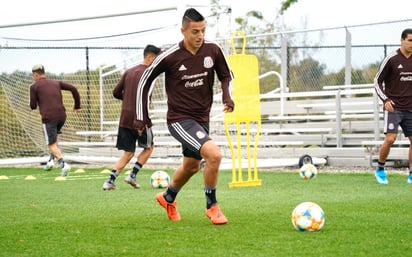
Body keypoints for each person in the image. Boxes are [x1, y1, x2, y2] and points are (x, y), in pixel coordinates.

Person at [135, 8, 234, 225]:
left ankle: (168, 197)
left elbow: (227, 75)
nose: (200, 36)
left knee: (191, 165)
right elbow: (145, 80)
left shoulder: (212, 50)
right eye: (195, 32)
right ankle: (212, 207)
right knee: (214, 156)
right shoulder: (170, 56)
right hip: (180, 120)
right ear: (183, 31)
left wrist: (227, 97)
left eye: (203, 31)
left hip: (202, 118)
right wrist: (141, 117)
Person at [102, 44, 161, 190]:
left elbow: (116, 92)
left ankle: (109, 181)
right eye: (157, 58)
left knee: (128, 152)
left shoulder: (129, 71)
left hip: (125, 118)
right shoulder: (149, 73)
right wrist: (142, 122)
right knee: (149, 147)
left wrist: (128, 99)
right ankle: (132, 175)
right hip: (140, 118)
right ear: (149, 57)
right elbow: (145, 100)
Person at [374, 28, 412, 184]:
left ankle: (411, 173)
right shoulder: (392, 59)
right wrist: (385, 100)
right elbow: (377, 81)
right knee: (391, 138)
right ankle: (380, 169)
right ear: (402, 40)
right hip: (394, 107)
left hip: (410, 107)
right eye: (410, 40)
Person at [29, 64, 81, 176]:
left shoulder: (34, 86)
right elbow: (73, 88)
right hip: (62, 116)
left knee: (51, 144)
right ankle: (51, 161)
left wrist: (36, 101)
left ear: (36, 74)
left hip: (49, 118)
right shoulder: (56, 83)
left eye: (33, 75)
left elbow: (33, 106)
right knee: (54, 139)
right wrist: (77, 105)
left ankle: (63, 164)